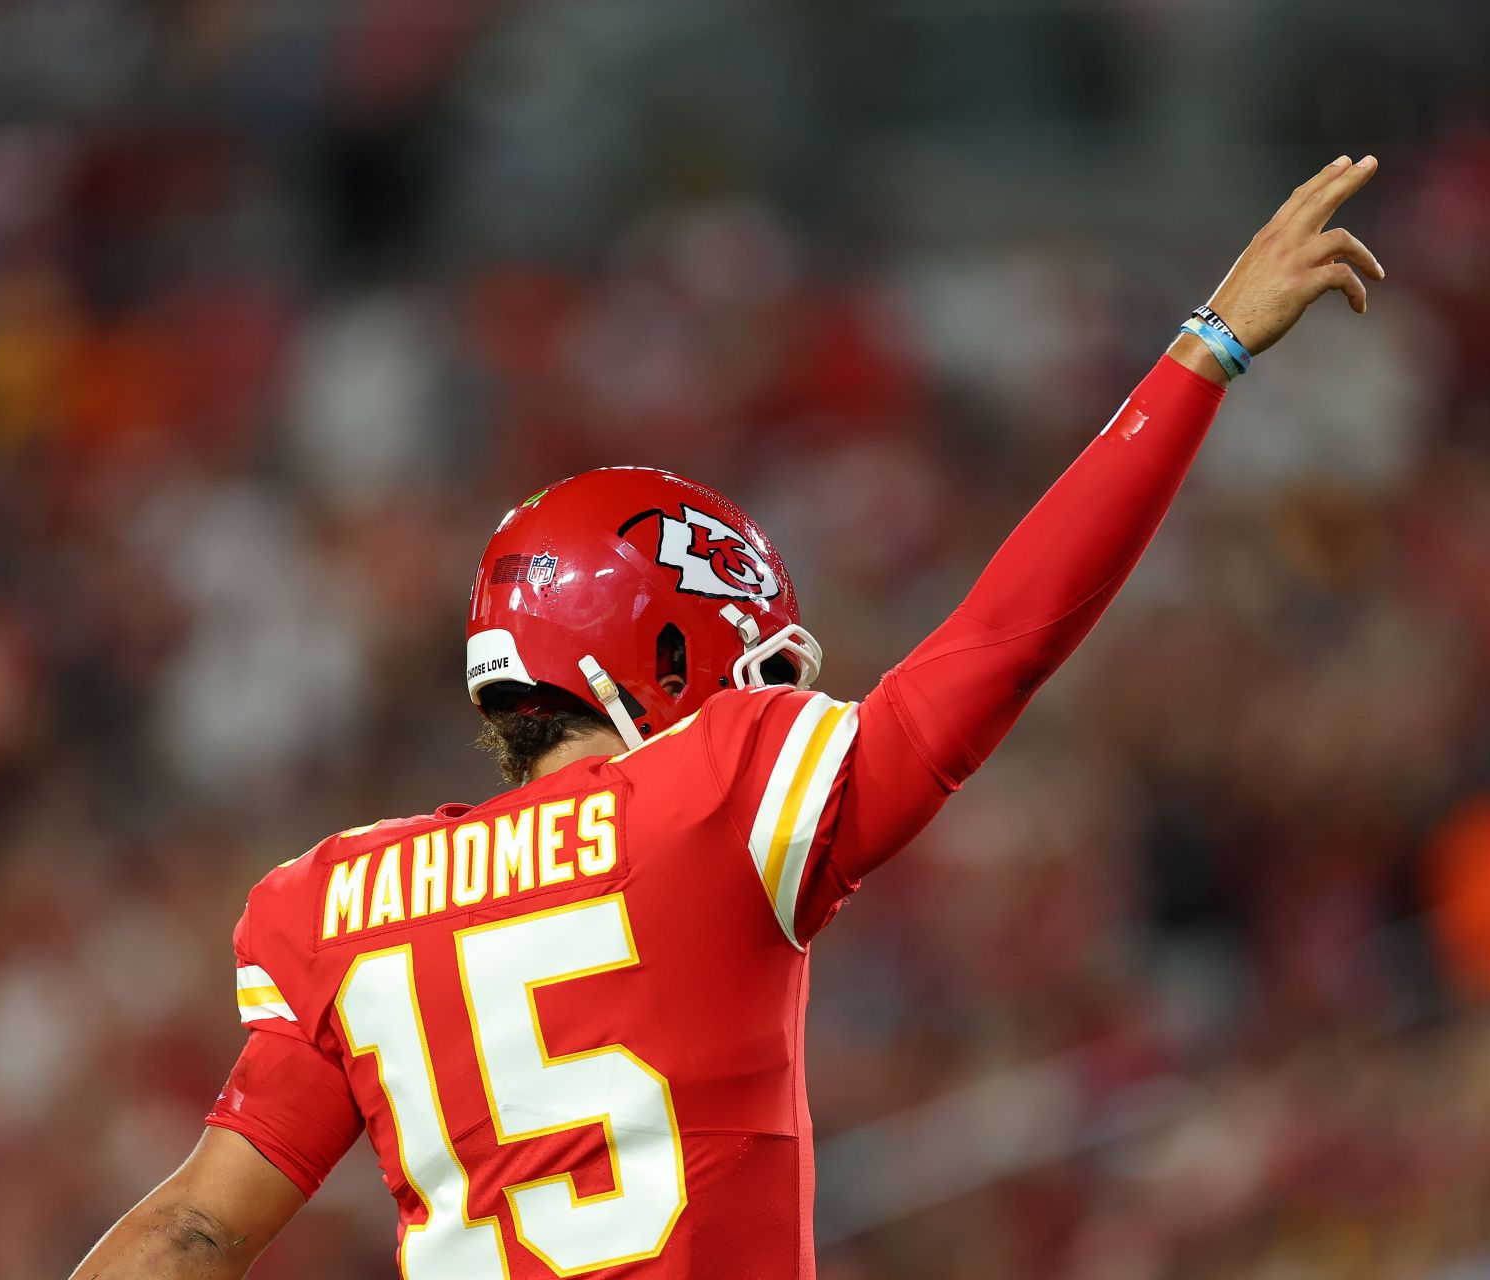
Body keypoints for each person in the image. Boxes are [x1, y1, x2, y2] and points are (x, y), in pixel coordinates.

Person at [70, 155, 1385, 1279]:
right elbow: (995, 655)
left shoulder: (335, 902)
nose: (765, 697)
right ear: (653, 649)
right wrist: (1202, 355)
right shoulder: (711, 793)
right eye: (743, 664)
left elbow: (194, 1229)